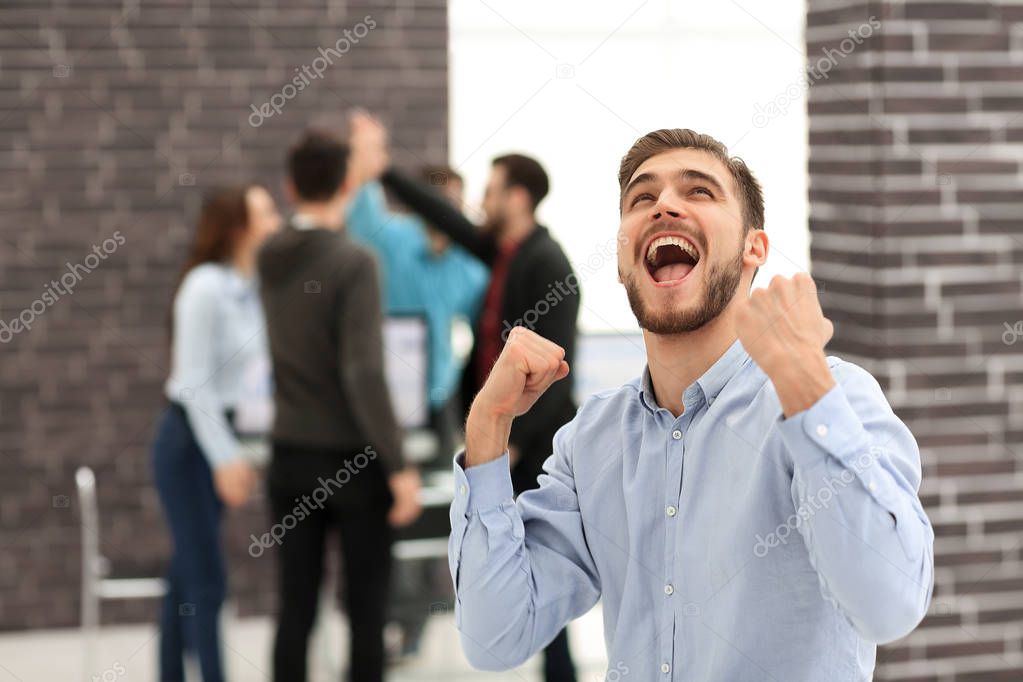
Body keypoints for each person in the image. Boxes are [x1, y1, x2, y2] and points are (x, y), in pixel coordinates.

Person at [448, 128, 936, 679]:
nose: (665, 207)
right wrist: (488, 427)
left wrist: (805, 384)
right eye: (642, 198)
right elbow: (497, 638)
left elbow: (889, 604)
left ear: (755, 248)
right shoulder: (593, 438)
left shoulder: (833, 397)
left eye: (699, 191)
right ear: (622, 258)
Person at [353, 115, 580, 681]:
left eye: (492, 189)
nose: (482, 199)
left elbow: (558, 372)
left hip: (531, 446)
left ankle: (560, 673)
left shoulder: (546, 264)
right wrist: (384, 173)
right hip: (503, 438)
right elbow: (445, 218)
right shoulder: (503, 251)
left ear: (519, 197)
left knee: (545, 567)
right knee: (506, 562)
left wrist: (516, 447)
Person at [257, 128, 421, 682]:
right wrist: (398, 465)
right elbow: (363, 373)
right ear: (349, 184)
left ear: (289, 185)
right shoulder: (354, 261)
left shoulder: (267, 256)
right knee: (367, 608)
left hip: (288, 454)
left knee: (295, 607)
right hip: (352, 461)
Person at [152, 183, 282, 682]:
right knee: (206, 580)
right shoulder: (204, 286)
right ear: (238, 227)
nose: (275, 221)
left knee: (185, 577)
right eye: (266, 212)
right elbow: (193, 385)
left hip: (219, 434)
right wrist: (226, 456)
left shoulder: (248, 285)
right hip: (188, 442)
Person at [345, 155, 488, 462]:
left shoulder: (468, 265)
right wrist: (366, 158)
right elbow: (363, 215)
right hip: (386, 392)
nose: (449, 213)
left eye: (456, 203)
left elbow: (485, 325)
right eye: (441, 202)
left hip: (439, 393)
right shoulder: (392, 239)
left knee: (441, 491)